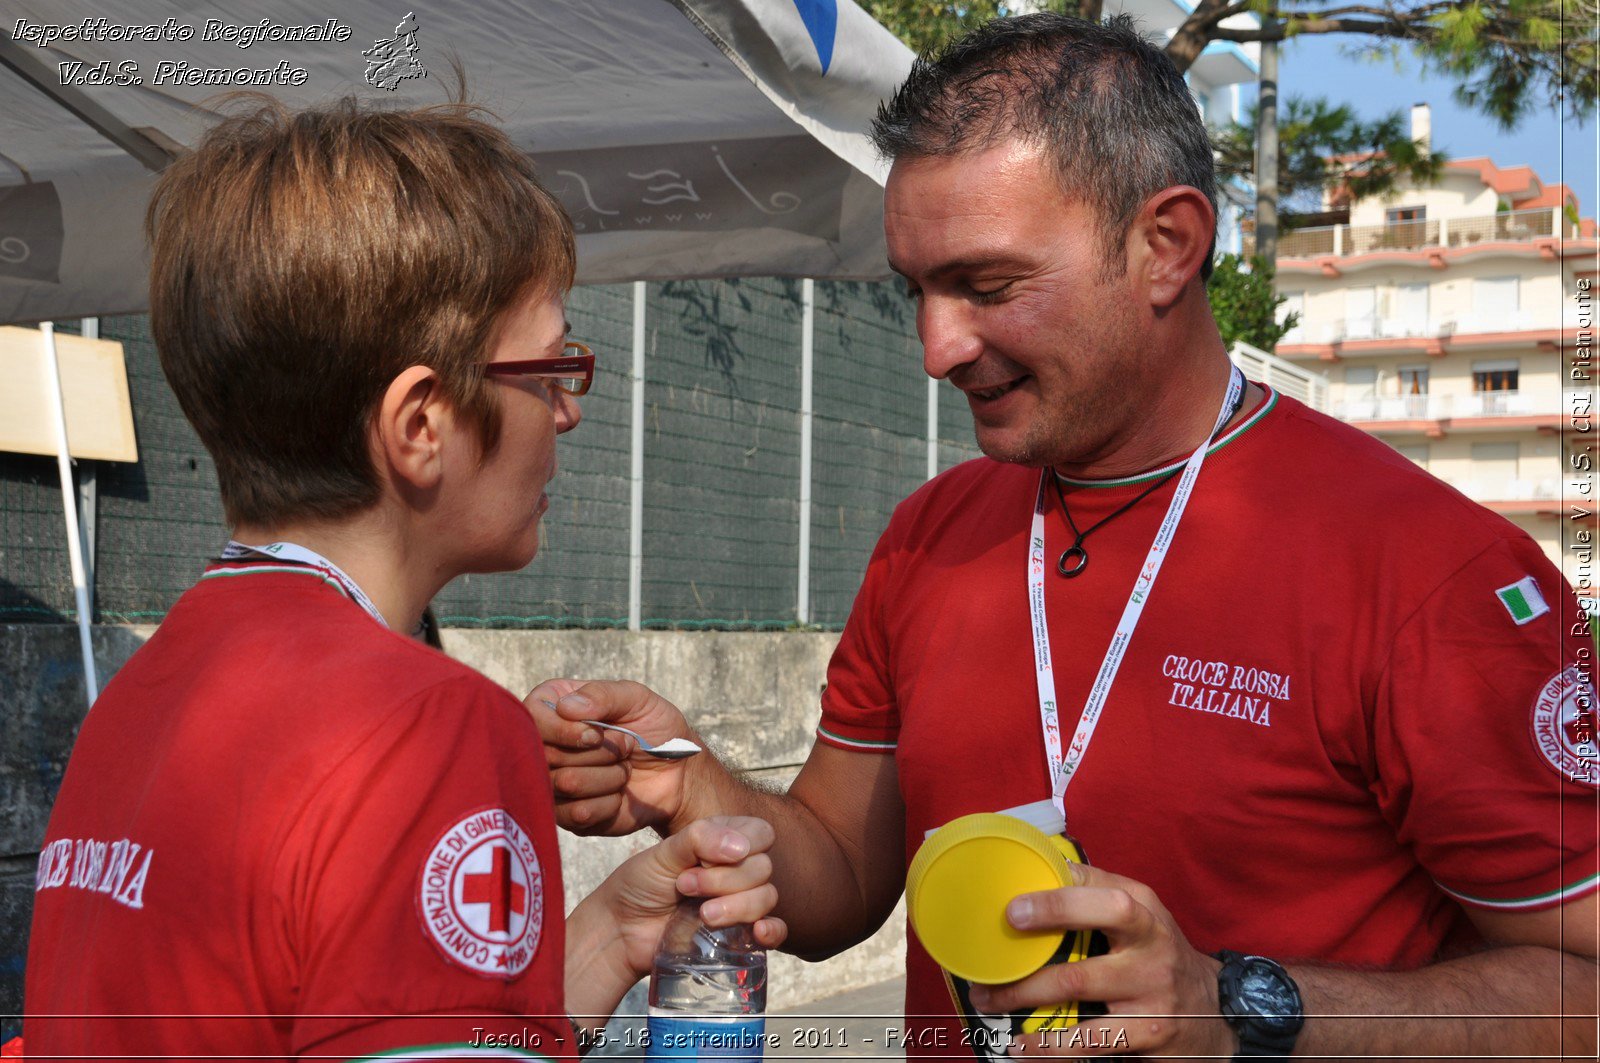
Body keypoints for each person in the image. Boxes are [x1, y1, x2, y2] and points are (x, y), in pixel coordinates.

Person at [532, 13, 1598, 1060]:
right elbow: (839, 882)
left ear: (1165, 246)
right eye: (918, 290)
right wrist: (692, 786)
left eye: (987, 285)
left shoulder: (1433, 577)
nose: (935, 348)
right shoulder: (928, 535)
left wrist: (1242, 1012)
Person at [23, 95, 784, 1058]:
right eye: (550, 366)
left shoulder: (139, 698)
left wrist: (600, 940)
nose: (568, 412)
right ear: (422, 425)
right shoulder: (437, 731)